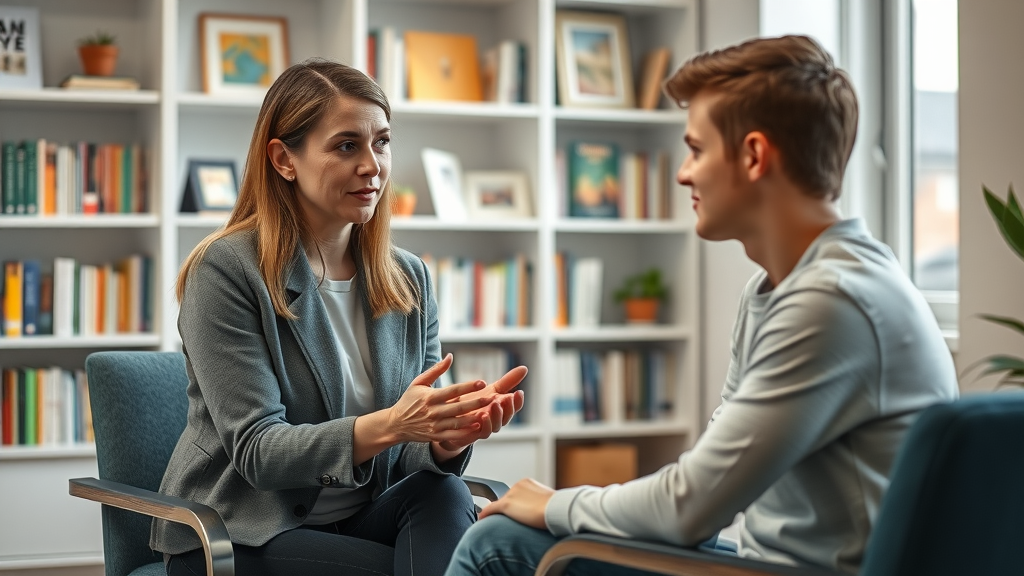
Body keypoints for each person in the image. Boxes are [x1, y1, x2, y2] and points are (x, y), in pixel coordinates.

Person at [444, 35, 959, 576]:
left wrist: (553, 504)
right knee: (515, 531)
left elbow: (690, 508)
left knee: (496, 543)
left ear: (755, 155)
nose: (682, 173)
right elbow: (706, 492)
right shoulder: (780, 286)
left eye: (696, 149)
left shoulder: (832, 301)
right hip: (762, 558)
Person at [156, 58, 527, 576]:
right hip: (239, 535)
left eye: (382, 142)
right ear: (284, 159)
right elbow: (259, 452)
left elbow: (407, 461)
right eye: (347, 145)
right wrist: (394, 424)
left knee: (443, 493)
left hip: (357, 521)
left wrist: (443, 441)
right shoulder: (226, 270)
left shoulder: (409, 278)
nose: (373, 166)